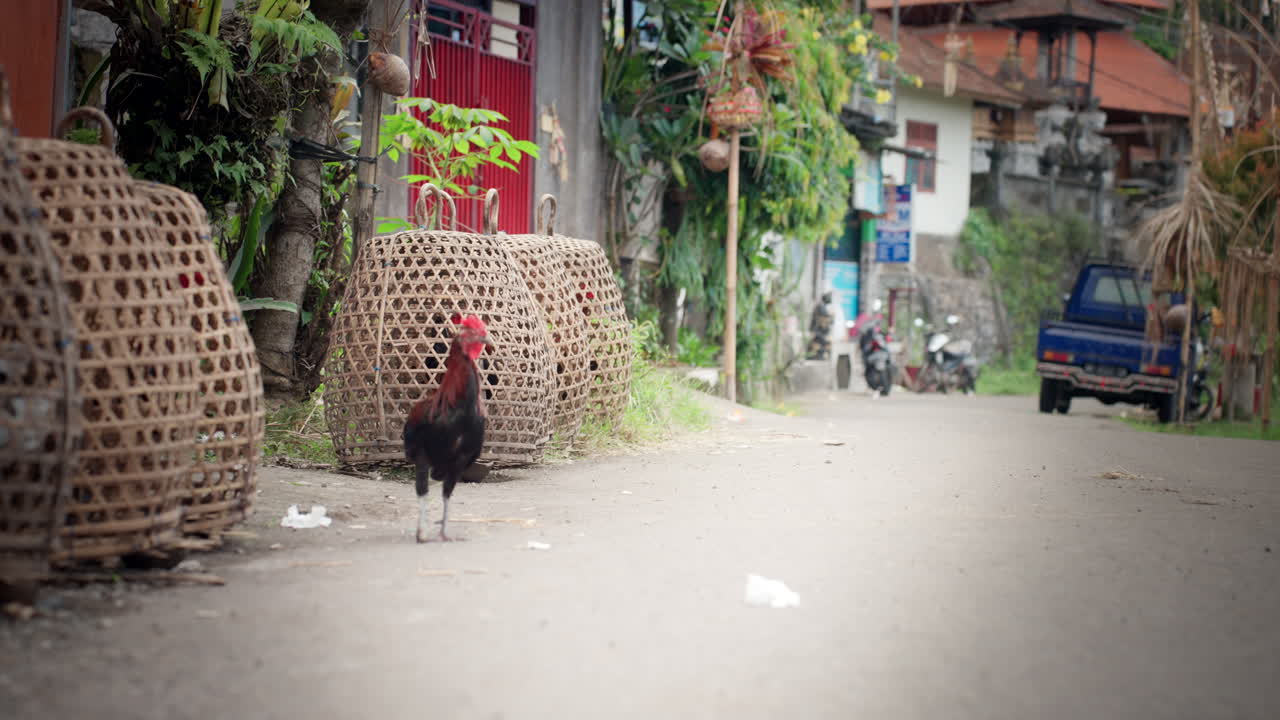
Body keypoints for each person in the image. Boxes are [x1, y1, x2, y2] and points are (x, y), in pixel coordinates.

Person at [807, 292, 833, 360]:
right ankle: (814, 355)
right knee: (822, 343)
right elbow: (824, 318)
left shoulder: (822, 306)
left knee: (824, 343)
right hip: (817, 331)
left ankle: (820, 355)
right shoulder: (820, 306)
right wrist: (830, 317)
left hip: (819, 332)